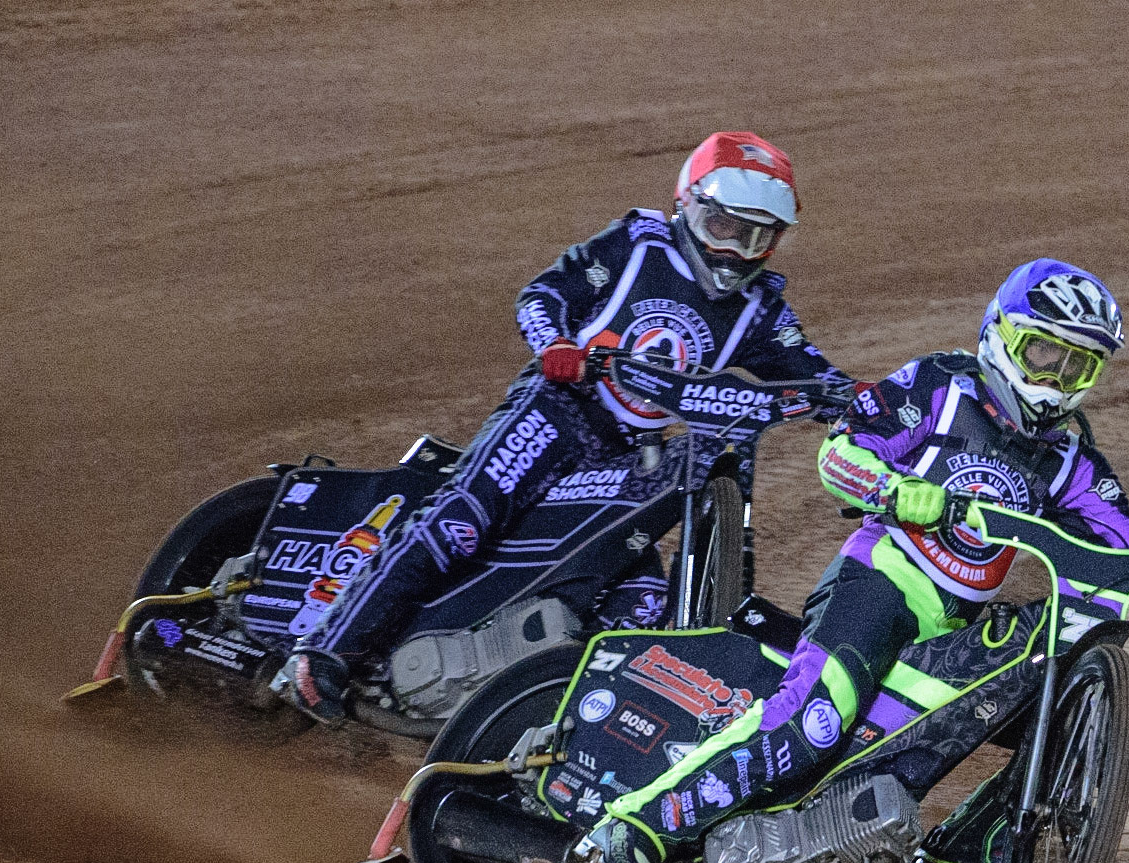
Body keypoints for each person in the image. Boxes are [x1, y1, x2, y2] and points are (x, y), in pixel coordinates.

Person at [573, 258, 1129, 863]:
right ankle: (635, 827)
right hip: (878, 581)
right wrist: (893, 488)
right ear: (1001, 333)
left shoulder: (1069, 457)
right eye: (1042, 354)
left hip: (949, 625)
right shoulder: (939, 385)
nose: (1055, 380)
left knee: (1050, 699)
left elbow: (1127, 547)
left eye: (1076, 366)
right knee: (815, 718)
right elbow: (840, 452)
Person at [280, 131, 853, 723]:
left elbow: (817, 376)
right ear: (689, 204)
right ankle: (325, 651)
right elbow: (543, 294)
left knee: (639, 602)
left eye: (757, 236)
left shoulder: (762, 311)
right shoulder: (636, 244)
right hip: (555, 413)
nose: (735, 251)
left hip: (631, 455)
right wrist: (554, 343)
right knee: (460, 521)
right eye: (725, 227)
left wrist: (870, 404)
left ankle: (540, 736)